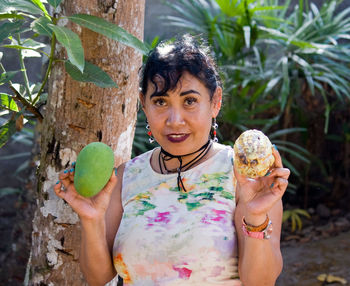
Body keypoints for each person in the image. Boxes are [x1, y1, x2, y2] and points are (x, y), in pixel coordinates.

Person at [54, 35, 290, 286]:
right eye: (161, 102)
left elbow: (261, 282)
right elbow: (98, 277)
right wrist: (91, 220)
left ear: (215, 102)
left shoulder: (245, 178)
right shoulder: (126, 177)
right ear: (144, 104)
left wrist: (255, 215)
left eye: (190, 101)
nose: (174, 120)